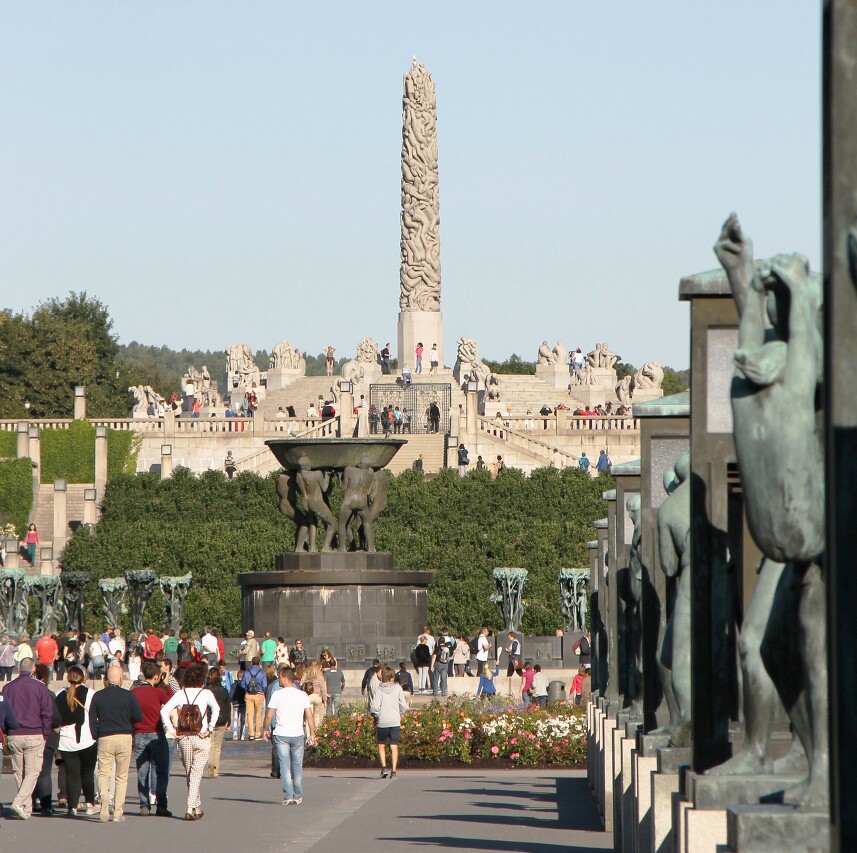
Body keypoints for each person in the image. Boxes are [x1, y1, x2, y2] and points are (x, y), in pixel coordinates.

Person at [159, 663, 220, 821]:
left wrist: (172, 730)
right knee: (196, 773)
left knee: (191, 773)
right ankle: (190, 807)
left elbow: (164, 710)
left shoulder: (181, 693)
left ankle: (196, 806)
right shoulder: (206, 693)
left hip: (184, 736)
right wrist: (211, 727)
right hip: (201, 736)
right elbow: (217, 709)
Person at [89, 661, 143, 822]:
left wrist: (95, 735)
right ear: (121, 679)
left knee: (103, 773)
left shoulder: (98, 696)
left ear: (106, 679)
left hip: (105, 737)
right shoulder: (129, 695)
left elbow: (91, 719)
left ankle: (104, 798)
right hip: (124, 736)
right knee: (121, 775)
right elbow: (138, 717)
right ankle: (118, 811)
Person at [3, 657, 54, 820]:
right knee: (33, 771)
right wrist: (45, 732)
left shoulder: (8, 688)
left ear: (19, 668)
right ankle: (19, 802)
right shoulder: (40, 687)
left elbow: (3, 712)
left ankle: (26, 807)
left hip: (14, 733)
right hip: (34, 732)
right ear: (33, 669)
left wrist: (6, 730)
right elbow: (47, 712)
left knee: (19, 771)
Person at [263, 666, 317, 805]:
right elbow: (309, 716)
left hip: (281, 734)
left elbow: (269, 714)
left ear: (285, 678)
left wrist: (265, 729)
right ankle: (298, 795)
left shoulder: (277, 694)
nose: (278, 680)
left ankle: (288, 796)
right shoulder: (302, 694)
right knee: (297, 767)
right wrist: (312, 734)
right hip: (298, 734)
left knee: (285, 767)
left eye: (280, 677)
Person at [131, 660, 172, 816]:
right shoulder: (158, 692)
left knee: (142, 772)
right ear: (156, 677)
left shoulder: (134, 692)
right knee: (161, 771)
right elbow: (171, 702)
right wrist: (166, 684)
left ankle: (144, 804)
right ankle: (161, 805)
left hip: (139, 733)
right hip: (156, 733)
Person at [30, 664, 61, 816]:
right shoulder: (48, 694)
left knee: (30, 770)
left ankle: (32, 800)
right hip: (46, 736)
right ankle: (46, 805)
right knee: (44, 771)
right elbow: (55, 717)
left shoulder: (24, 691)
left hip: (28, 733)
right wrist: (55, 726)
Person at [370, 666, 409, 779]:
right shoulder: (397, 688)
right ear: (392, 676)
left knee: (381, 744)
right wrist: (400, 714)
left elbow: (375, 707)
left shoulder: (378, 689)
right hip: (394, 720)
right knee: (394, 745)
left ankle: (384, 768)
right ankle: (394, 771)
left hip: (383, 720)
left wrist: (376, 716)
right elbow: (403, 705)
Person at [205, 667, 232, 779]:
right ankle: (215, 769)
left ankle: (211, 765)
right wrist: (229, 721)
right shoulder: (224, 690)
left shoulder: (206, 690)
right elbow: (227, 707)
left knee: (209, 745)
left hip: (209, 720)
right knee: (217, 746)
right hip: (222, 720)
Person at [241, 656, 268, 740]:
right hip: (259, 694)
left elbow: (242, 684)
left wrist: (247, 689)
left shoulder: (246, 672)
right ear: (259, 663)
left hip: (249, 695)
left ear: (252, 663)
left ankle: (251, 734)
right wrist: (262, 691)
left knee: (250, 714)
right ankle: (257, 733)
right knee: (258, 714)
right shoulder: (262, 672)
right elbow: (265, 685)